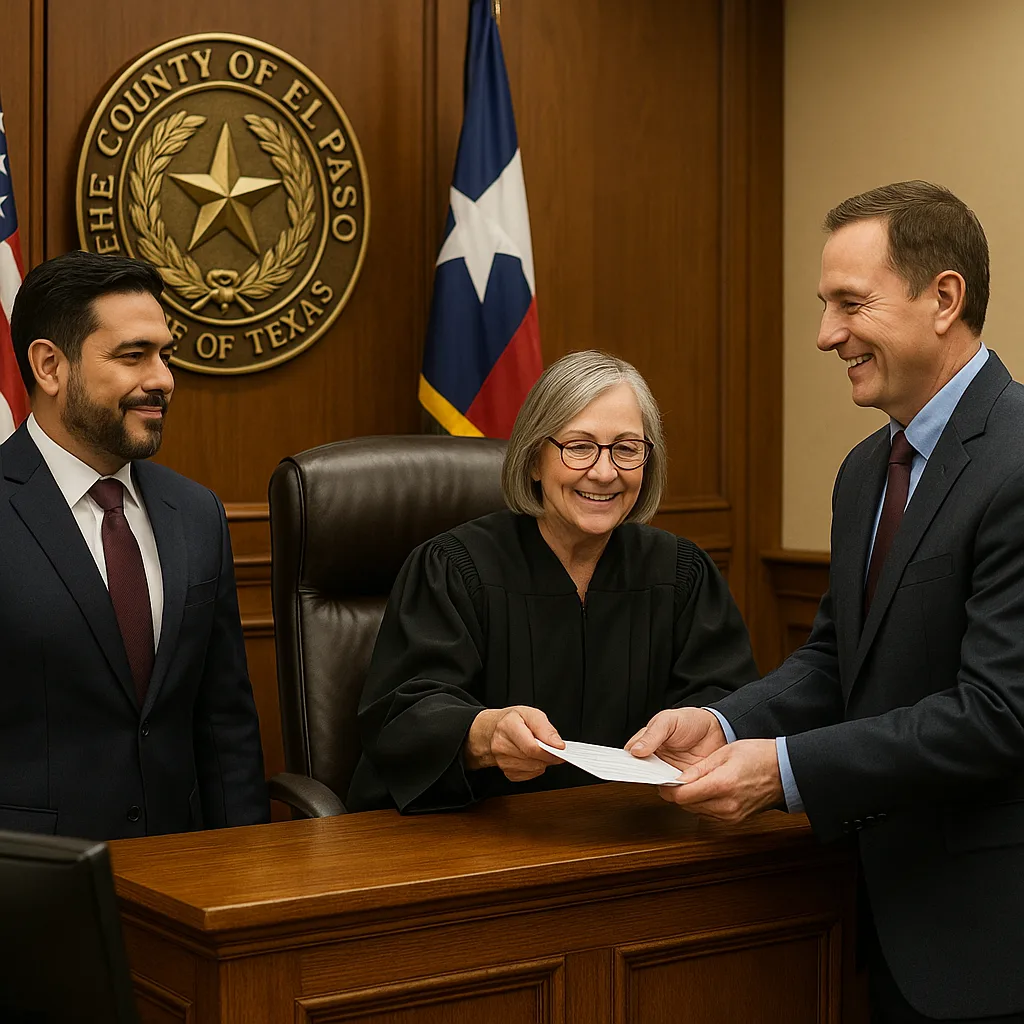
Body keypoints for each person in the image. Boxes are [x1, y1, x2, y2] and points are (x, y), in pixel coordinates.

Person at [630, 182, 1024, 1023]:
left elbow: (998, 714)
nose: (825, 335)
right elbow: (838, 659)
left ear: (944, 298)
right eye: (824, 306)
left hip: (994, 941)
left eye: (850, 304)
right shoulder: (863, 473)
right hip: (876, 917)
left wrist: (785, 770)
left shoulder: (1018, 462)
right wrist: (729, 724)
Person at [348, 350, 758, 813]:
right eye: (579, 446)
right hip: (472, 837)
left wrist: (699, 720)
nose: (605, 473)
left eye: (626, 448)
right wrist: (483, 733)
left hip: (640, 832)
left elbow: (732, 701)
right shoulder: (452, 568)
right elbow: (402, 714)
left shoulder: (682, 573)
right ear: (533, 460)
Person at [0, 250, 269, 841]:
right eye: (132, 356)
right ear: (49, 366)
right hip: (32, 888)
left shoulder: (196, 512)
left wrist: (249, 865)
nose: (162, 380)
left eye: (165, 355)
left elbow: (224, 723)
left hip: (184, 876)